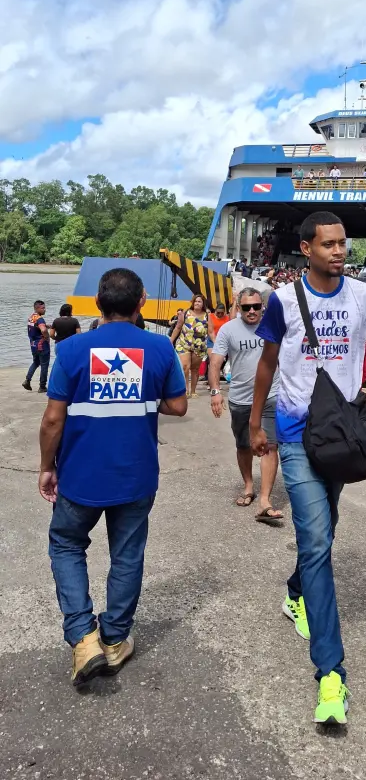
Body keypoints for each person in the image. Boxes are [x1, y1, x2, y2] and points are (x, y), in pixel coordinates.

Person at [249, 211, 366, 725]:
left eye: (342, 243)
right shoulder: (282, 300)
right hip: (295, 430)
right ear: (306, 248)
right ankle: (331, 675)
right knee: (315, 540)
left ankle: (296, 593)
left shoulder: (362, 296)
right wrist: (256, 424)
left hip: (343, 431)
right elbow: (268, 362)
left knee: (325, 528)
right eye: (328, 244)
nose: (339, 251)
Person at [39, 268, 187, 686]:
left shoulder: (71, 349)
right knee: (127, 555)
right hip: (136, 476)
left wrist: (47, 466)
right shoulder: (159, 347)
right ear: (142, 302)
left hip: (80, 476)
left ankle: (83, 637)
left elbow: (53, 420)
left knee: (67, 544)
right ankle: (115, 639)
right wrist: (139, 394)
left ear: (98, 303)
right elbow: (178, 406)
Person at [209, 288, 282, 525]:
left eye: (256, 307)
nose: (252, 311)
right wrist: (215, 391)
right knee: (244, 446)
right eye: (247, 307)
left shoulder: (274, 326)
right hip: (240, 399)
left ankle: (265, 500)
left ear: (263, 307)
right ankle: (249, 486)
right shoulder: (228, 330)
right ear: (239, 308)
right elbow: (215, 362)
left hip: (271, 395)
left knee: (270, 445)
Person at [171, 294, 209, 398]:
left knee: (195, 369)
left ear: (203, 304)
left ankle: (193, 391)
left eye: (199, 301)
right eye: (195, 301)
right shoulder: (185, 313)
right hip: (184, 343)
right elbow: (178, 327)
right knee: (185, 367)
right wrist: (171, 340)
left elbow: (210, 332)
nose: (197, 303)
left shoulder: (207, 315)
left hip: (199, 346)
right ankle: (185, 390)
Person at [22, 300, 50, 393]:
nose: (44, 309)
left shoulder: (31, 317)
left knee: (36, 362)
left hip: (33, 345)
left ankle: (27, 380)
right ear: (37, 308)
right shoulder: (40, 319)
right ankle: (42, 386)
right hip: (42, 345)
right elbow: (43, 330)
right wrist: (47, 337)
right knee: (44, 365)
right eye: (43, 308)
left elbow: (36, 326)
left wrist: (46, 326)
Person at [206, 302, 230, 384]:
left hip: (223, 340)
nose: (220, 314)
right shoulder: (211, 316)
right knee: (213, 361)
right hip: (212, 340)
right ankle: (211, 382)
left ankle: (217, 381)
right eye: (218, 312)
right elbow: (210, 331)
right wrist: (216, 343)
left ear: (224, 312)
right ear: (215, 311)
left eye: (222, 313)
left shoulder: (227, 318)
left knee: (220, 362)